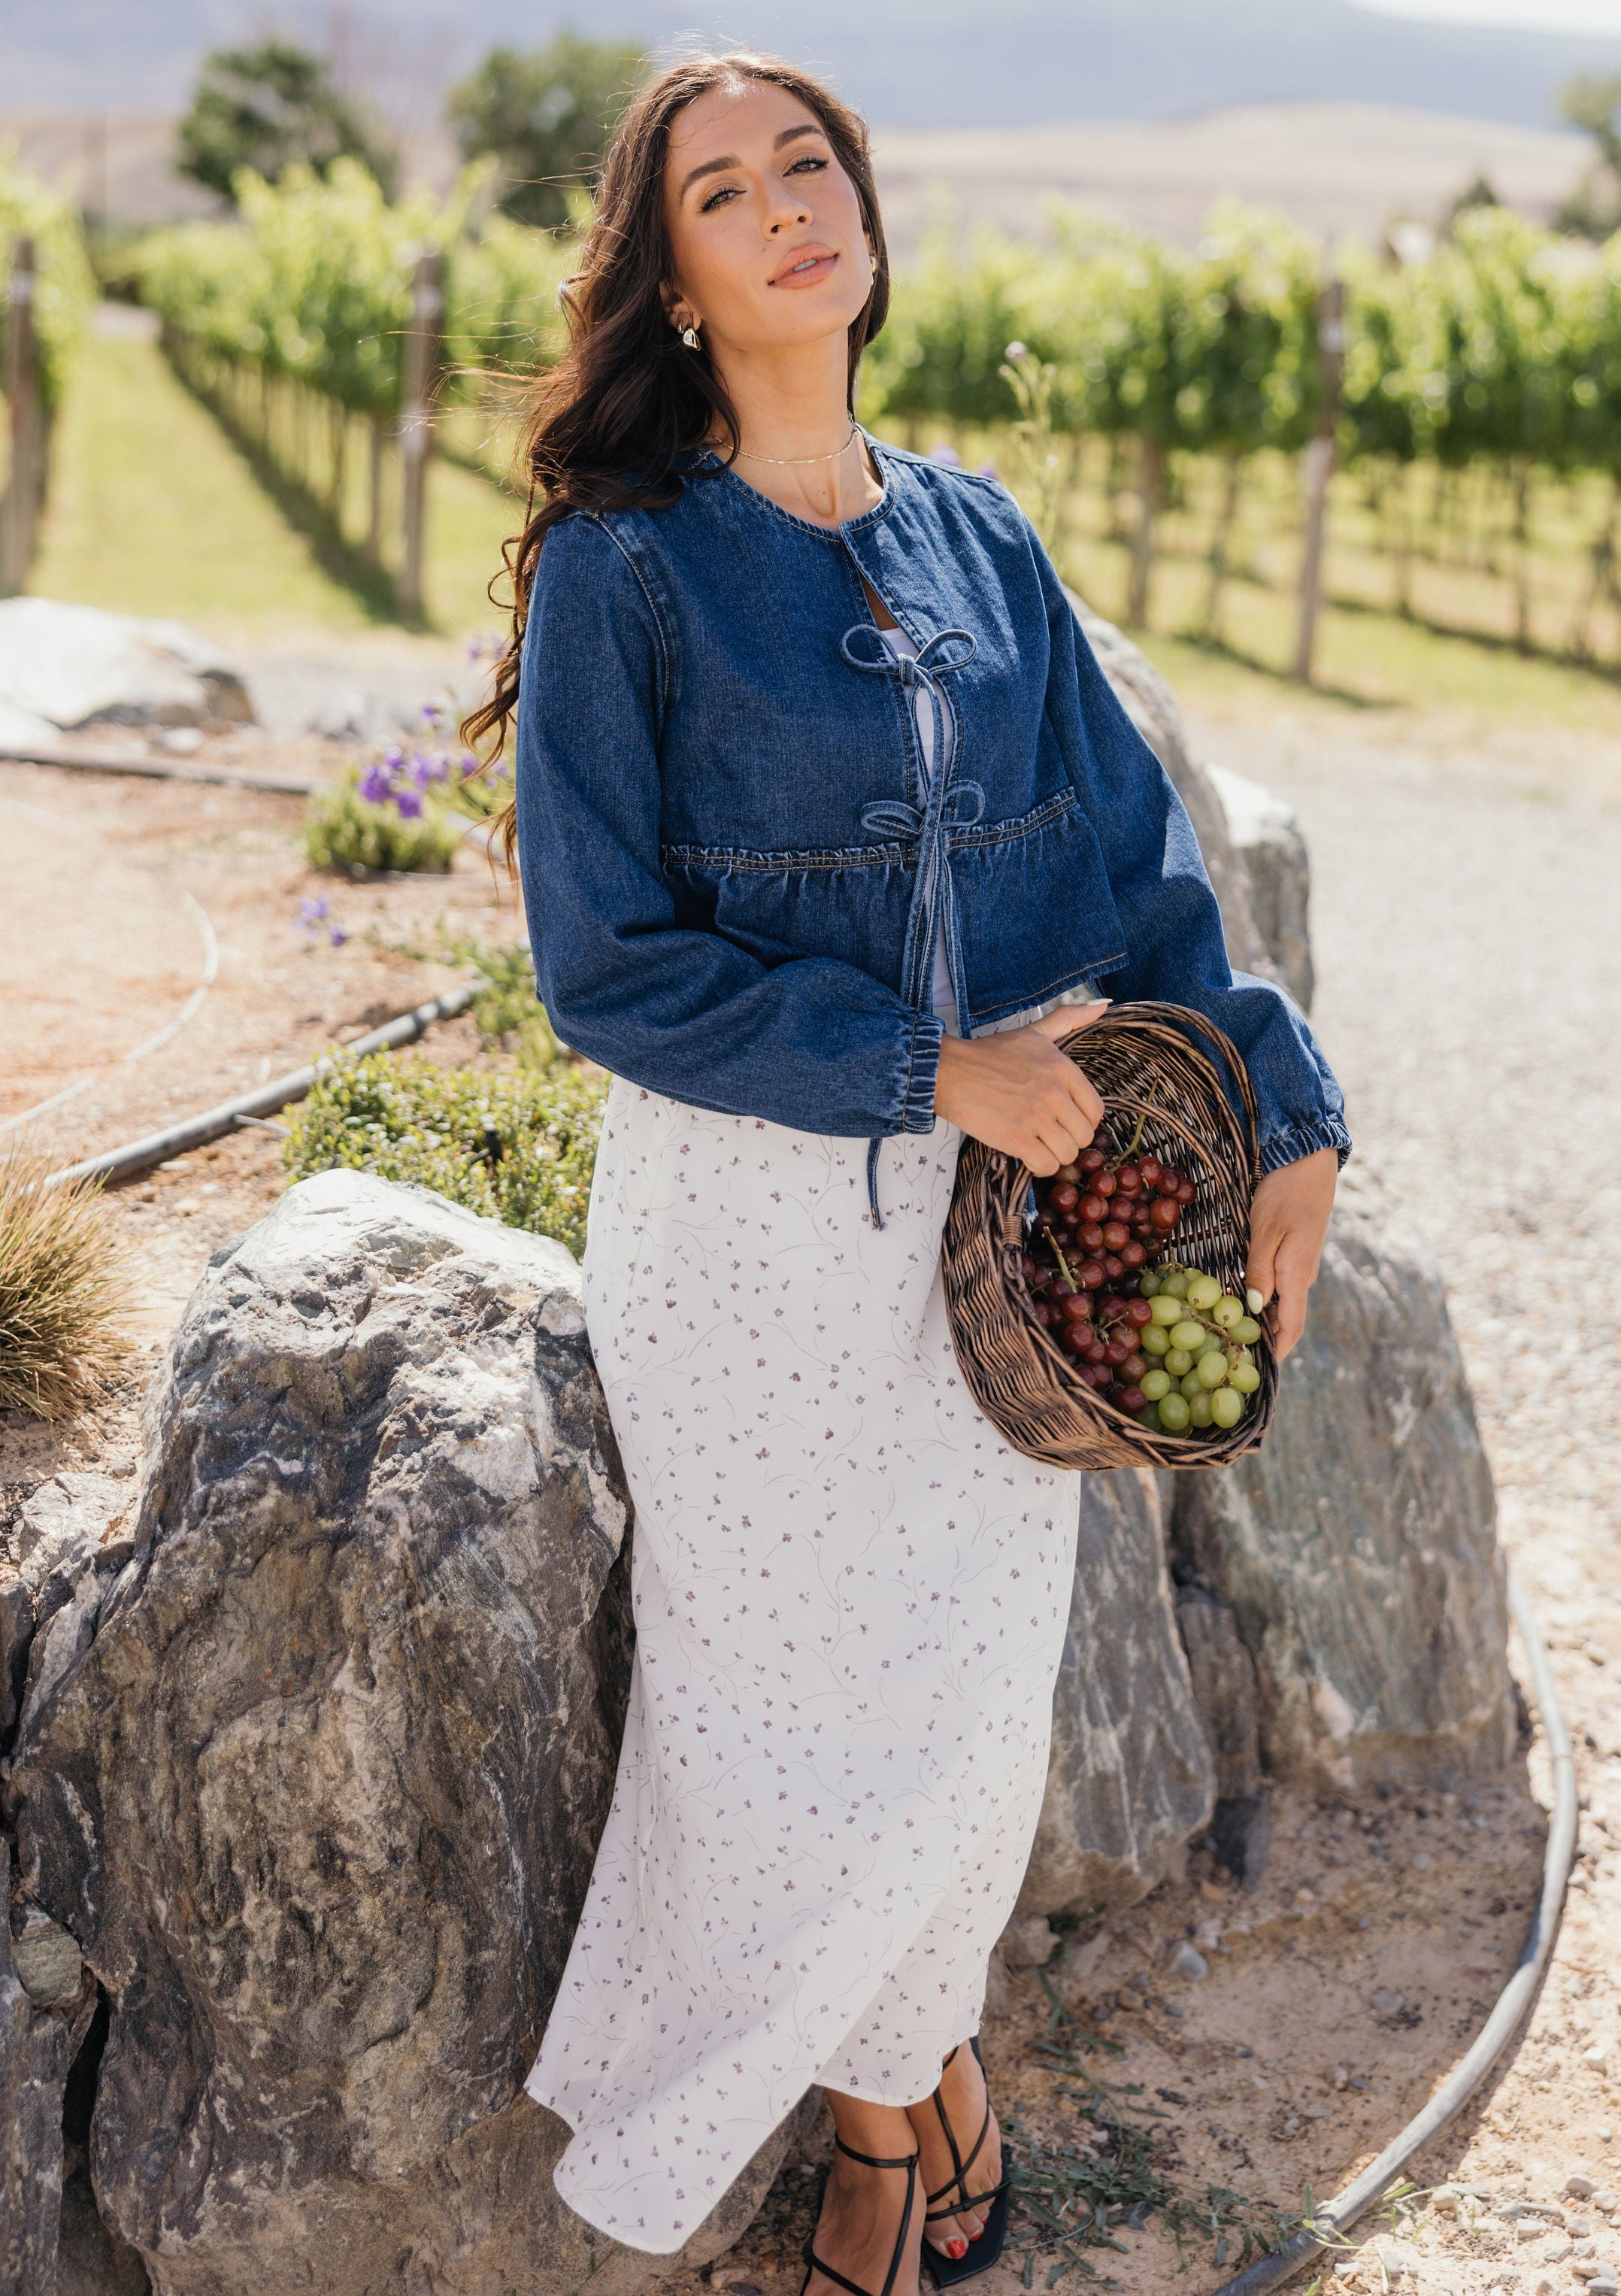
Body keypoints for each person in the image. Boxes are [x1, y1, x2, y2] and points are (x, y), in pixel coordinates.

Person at [463, 50, 1349, 2296]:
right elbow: (606, 968)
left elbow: (1142, 880)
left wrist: (1294, 1103)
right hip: (748, 1231)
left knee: (959, 1725)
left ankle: (921, 2090)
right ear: (669, 283)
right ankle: (900, 2127)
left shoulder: (985, 539)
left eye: (811, 165)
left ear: (864, 210)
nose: (785, 206)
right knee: (777, 1736)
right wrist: (921, 1063)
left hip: (1003, 1245)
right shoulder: (628, 572)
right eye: (723, 191)